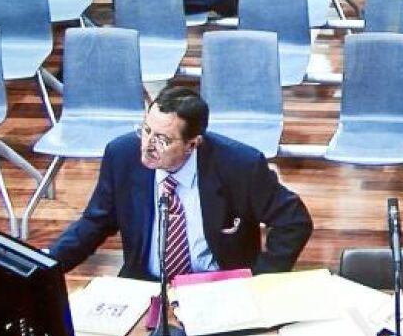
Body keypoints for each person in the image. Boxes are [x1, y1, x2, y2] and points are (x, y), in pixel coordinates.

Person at [50, 86, 314, 280]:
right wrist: (47, 265)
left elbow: (294, 221)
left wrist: (261, 281)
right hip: (147, 285)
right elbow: (95, 222)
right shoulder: (121, 156)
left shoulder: (240, 165)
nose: (148, 146)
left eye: (163, 140)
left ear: (193, 143)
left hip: (219, 287)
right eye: (146, 131)